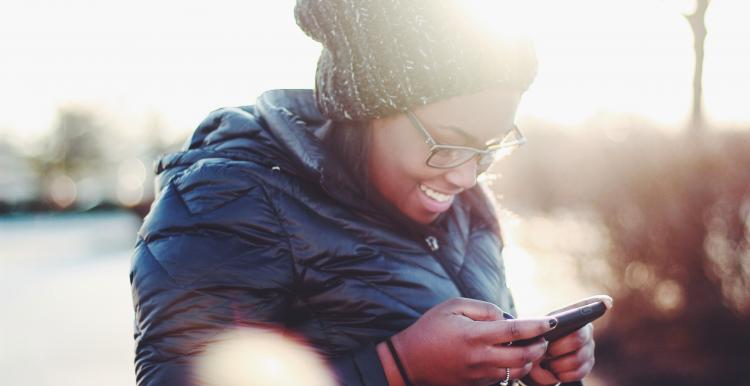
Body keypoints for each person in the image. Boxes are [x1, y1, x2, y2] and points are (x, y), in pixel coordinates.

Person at [129, 1, 598, 385]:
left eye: (489, 146)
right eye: (448, 142)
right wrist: (396, 367)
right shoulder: (230, 200)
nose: (467, 177)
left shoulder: (466, 209)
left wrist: (533, 368)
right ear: (368, 108)